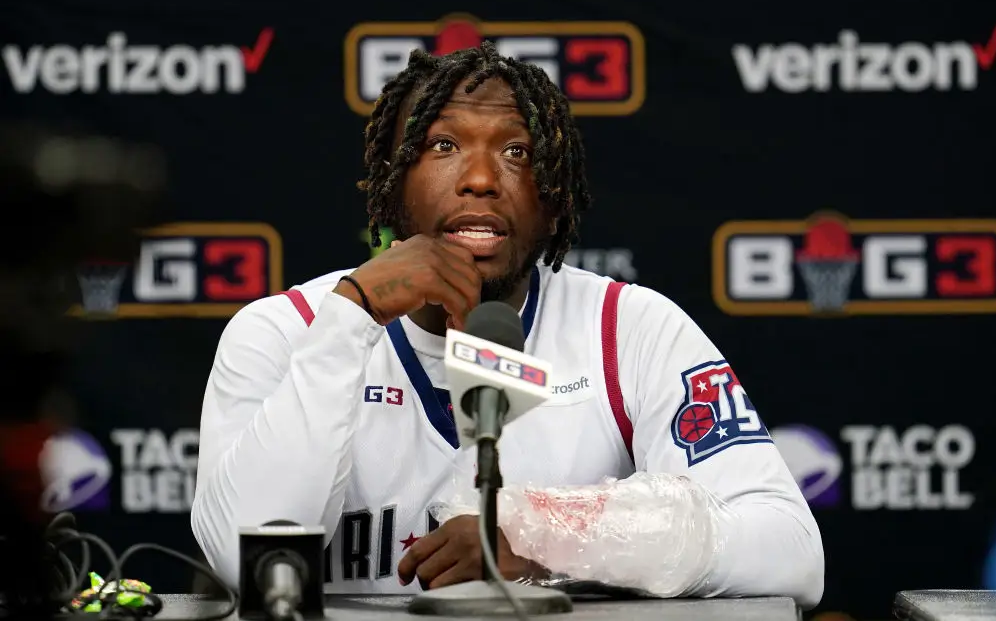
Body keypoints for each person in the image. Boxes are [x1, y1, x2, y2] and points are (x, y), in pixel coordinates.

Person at [191, 42, 824, 607]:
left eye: (517, 152)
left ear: (555, 200)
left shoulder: (630, 328)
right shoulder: (281, 330)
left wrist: (538, 538)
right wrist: (351, 317)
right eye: (443, 145)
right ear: (390, 184)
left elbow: (790, 550)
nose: (480, 180)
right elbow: (248, 562)